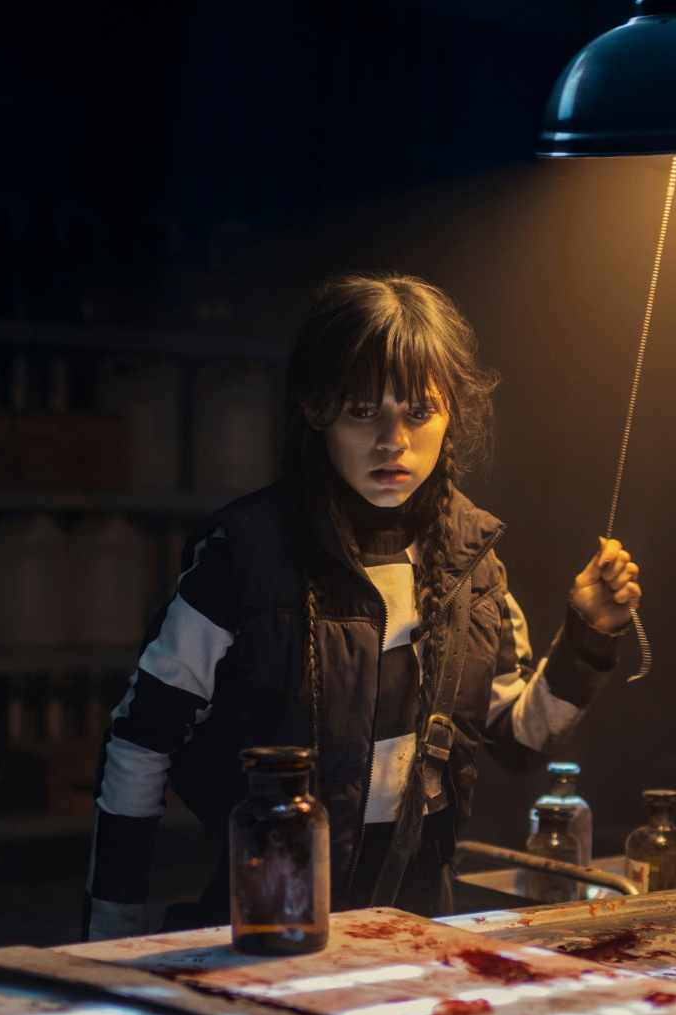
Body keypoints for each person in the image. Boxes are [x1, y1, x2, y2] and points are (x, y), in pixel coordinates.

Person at [83, 272, 642, 939]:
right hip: (267, 918)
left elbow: (517, 739)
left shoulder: (474, 563)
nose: (392, 440)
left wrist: (588, 638)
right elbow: (141, 739)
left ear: (451, 418)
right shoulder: (245, 560)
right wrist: (110, 929)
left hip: (422, 925)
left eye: (418, 411)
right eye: (361, 411)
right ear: (316, 411)